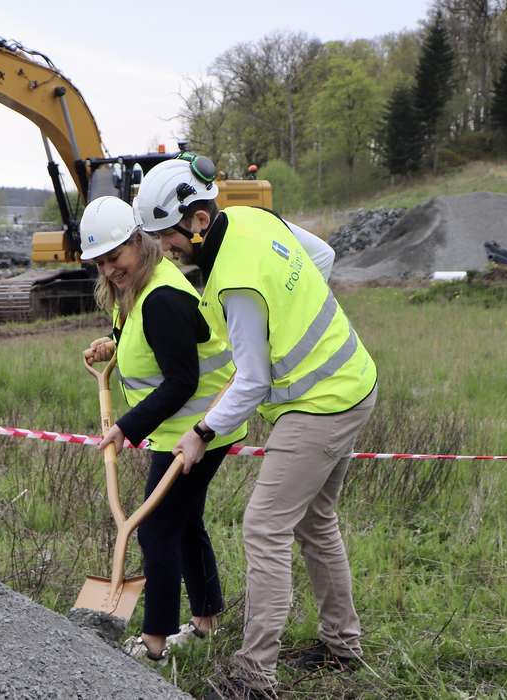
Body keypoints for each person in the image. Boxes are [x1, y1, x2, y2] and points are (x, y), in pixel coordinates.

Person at [133, 154, 378, 695]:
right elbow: (322, 255)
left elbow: (252, 382)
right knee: (317, 522)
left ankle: (254, 672)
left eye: (166, 237)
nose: (163, 250)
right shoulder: (252, 218)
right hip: (354, 379)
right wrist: (293, 307)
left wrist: (200, 434)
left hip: (321, 402)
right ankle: (343, 644)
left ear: (197, 221)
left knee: (264, 528)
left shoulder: (234, 283)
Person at [79, 195, 247, 662]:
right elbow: (141, 339)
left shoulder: (164, 298)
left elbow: (182, 379)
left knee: (155, 530)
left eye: (116, 257)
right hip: (179, 429)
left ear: (139, 242)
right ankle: (207, 619)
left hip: (199, 430)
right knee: (184, 521)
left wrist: (127, 427)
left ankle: (154, 642)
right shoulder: (139, 288)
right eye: (100, 263)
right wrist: (110, 343)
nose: (110, 270)